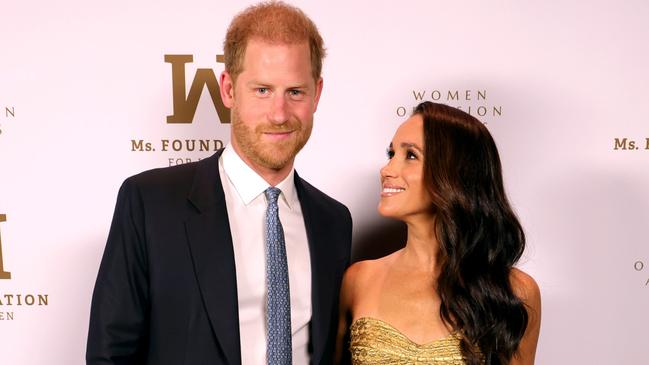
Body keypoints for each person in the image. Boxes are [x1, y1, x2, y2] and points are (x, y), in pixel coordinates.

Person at [86, 2, 352, 365]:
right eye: (262, 90)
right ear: (228, 89)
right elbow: (110, 354)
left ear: (317, 94)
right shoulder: (151, 203)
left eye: (295, 92)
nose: (279, 114)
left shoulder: (333, 222)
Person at [336, 101, 541, 365]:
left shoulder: (515, 292)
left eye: (410, 155)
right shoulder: (359, 280)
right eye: (391, 154)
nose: (387, 170)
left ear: (455, 173)